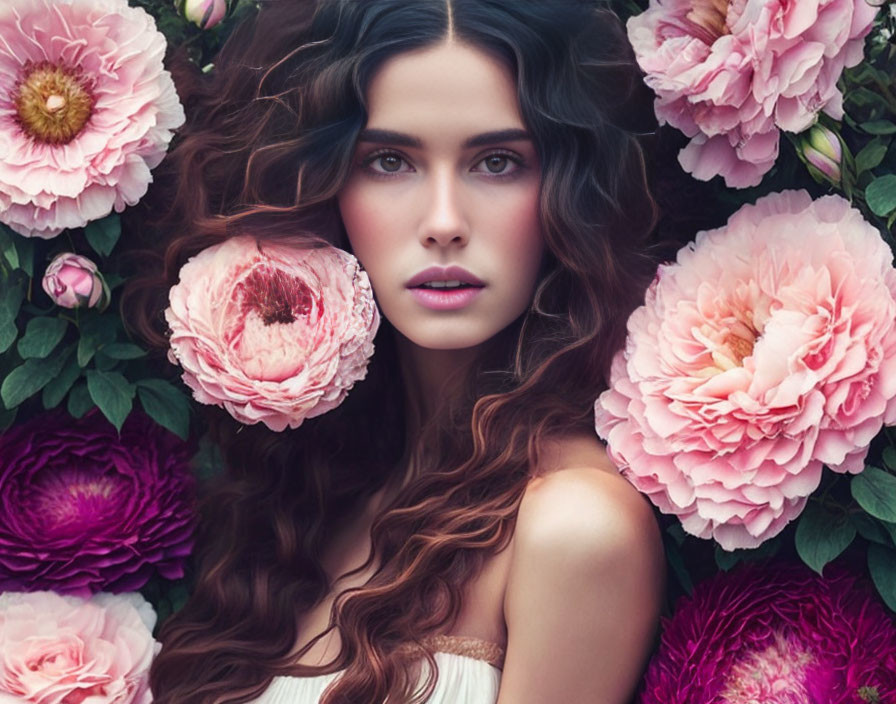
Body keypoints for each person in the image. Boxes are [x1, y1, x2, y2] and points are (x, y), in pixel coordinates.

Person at [123, 0, 666, 701]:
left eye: (497, 162)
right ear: (325, 189)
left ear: (568, 192)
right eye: (389, 161)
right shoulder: (314, 503)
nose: (444, 222)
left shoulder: (574, 526)